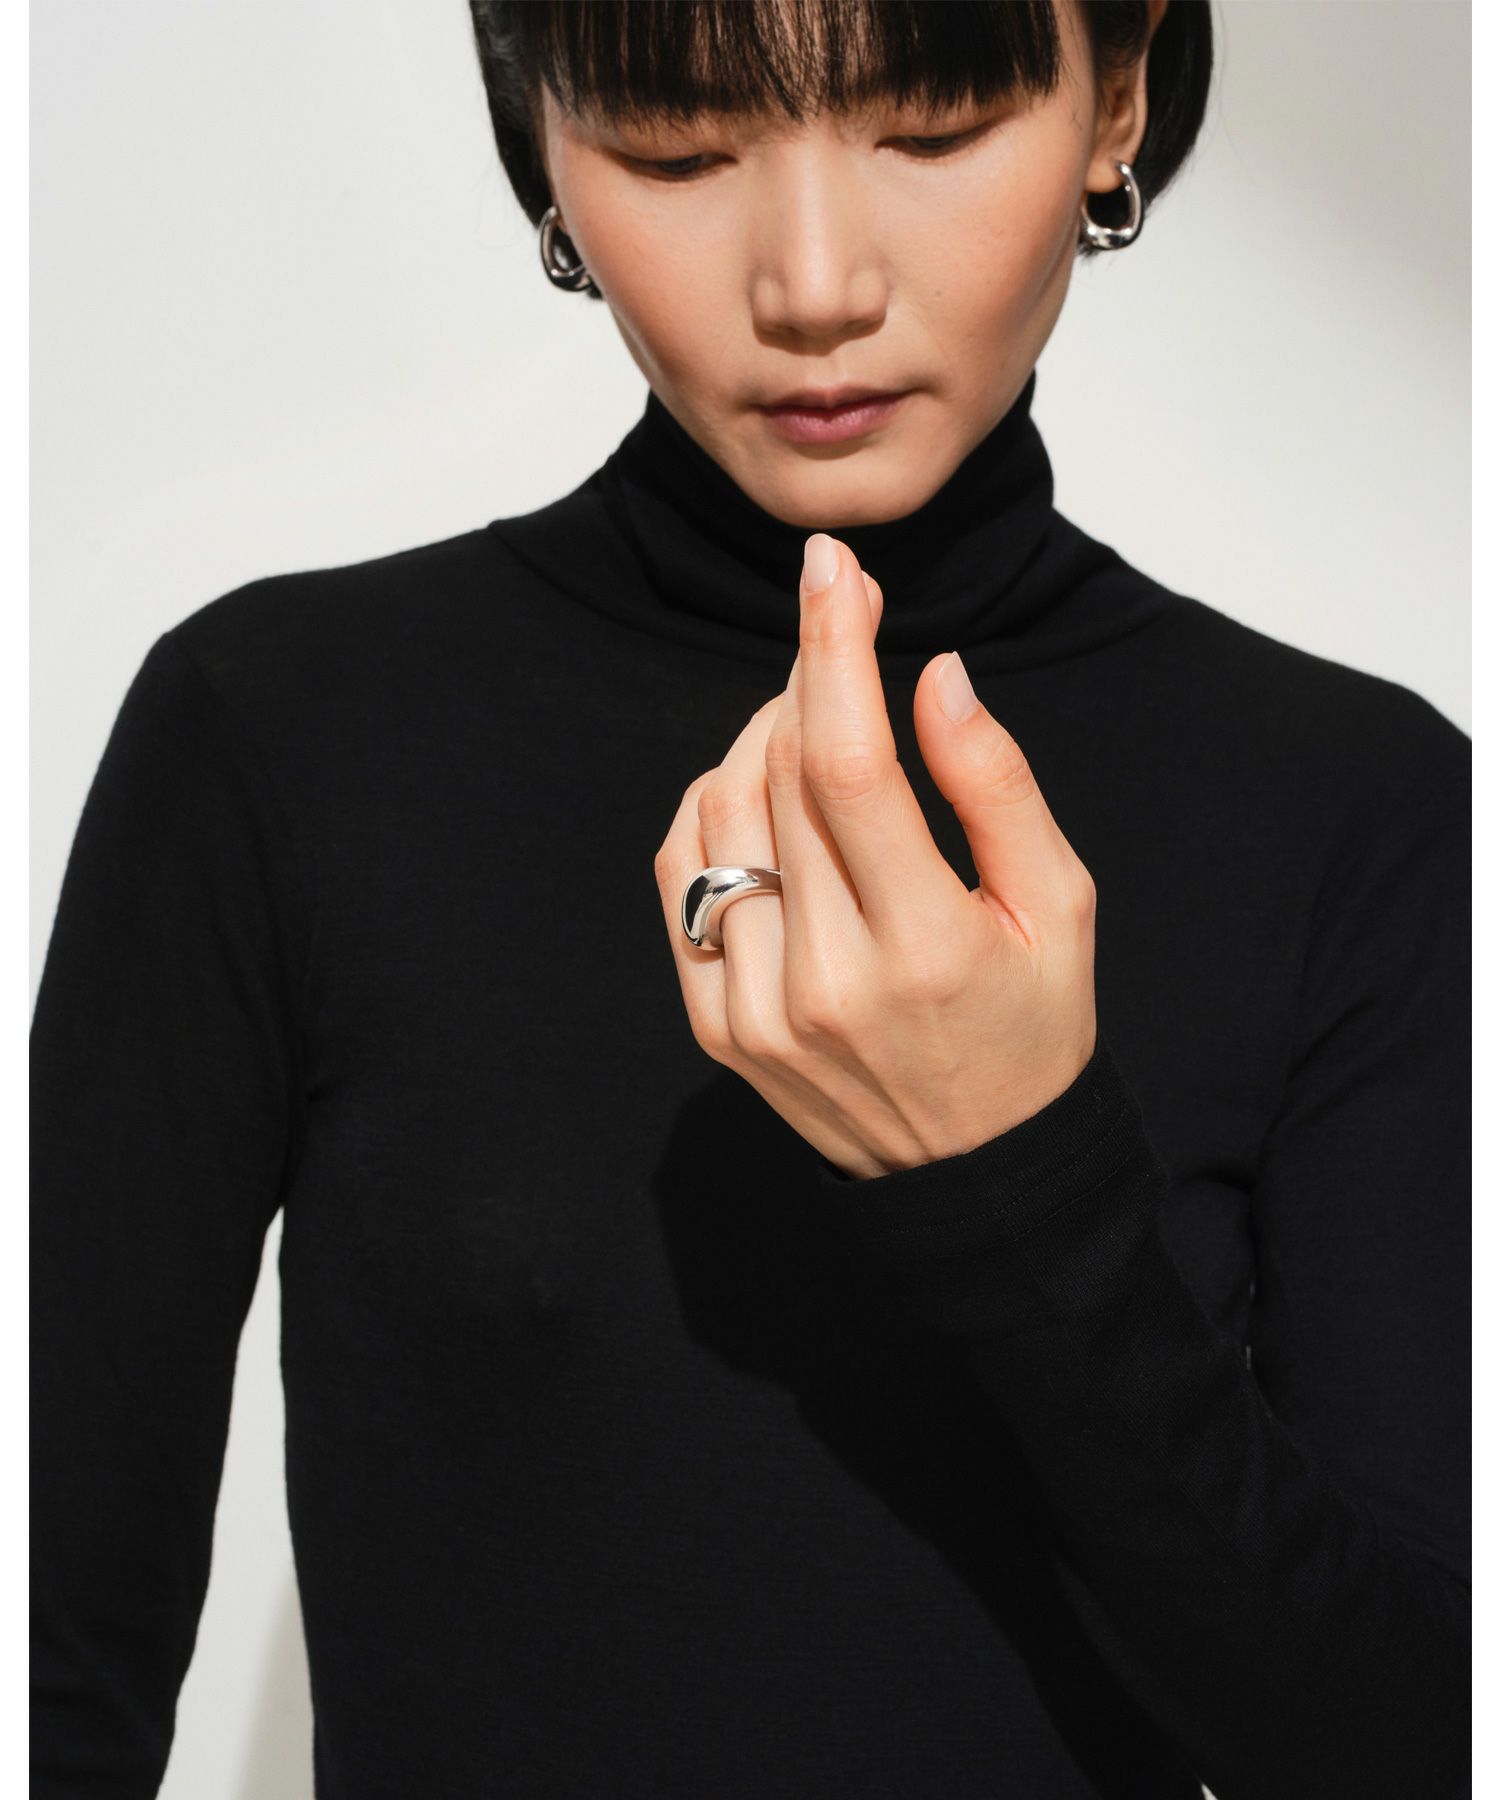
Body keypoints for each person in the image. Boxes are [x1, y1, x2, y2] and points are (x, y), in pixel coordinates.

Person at [31, 2, 1469, 1796]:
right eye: (680, 150)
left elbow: (1413, 1746)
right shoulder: (275, 737)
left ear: (1117, 96)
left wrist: (1022, 1181)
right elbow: (51, 1661)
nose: (811, 285)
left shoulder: (1359, 807)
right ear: (541, 140)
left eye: (931, 131)